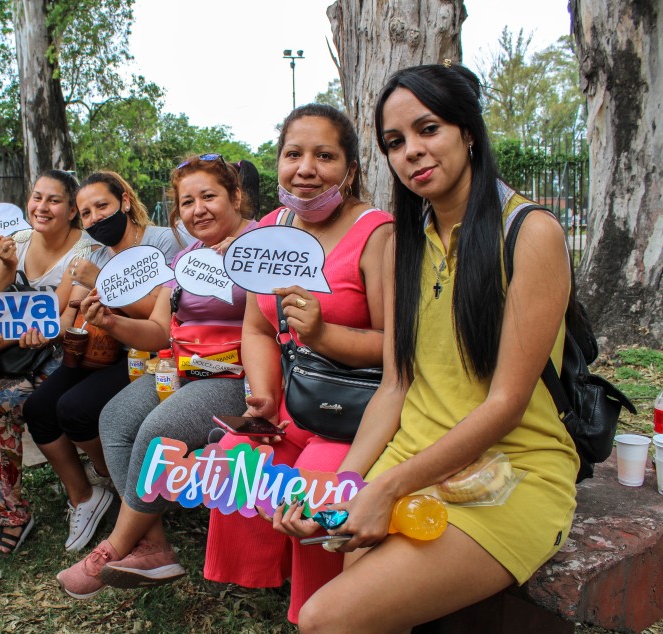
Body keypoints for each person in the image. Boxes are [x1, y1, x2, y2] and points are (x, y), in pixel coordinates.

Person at [291, 65, 578, 633]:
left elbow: (505, 406)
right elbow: (396, 386)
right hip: (409, 458)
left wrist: (387, 488)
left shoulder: (530, 232)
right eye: (395, 143)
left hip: (511, 471)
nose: (412, 153)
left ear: (468, 132)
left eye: (429, 129)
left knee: (325, 619)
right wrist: (345, 483)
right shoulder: (403, 243)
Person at [203, 104, 393, 624]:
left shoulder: (378, 234)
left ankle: (325, 611)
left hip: (357, 414)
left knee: (315, 482)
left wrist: (324, 334)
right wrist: (263, 395)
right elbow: (258, 325)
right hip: (293, 402)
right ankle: (264, 576)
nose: (305, 168)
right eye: (293, 154)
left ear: (350, 170)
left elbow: (399, 350)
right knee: (236, 456)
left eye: (324, 156)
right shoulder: (271, 229)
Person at [56, 154, 257, 599]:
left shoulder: (264, 245)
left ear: (236, 197)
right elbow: (159, 330)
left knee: (156, 431)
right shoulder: (187, 258)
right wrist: (110, 321)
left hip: (237, 380)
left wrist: (243, 260)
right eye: (187, 202)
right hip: (181, 371)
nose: (198, 209)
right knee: (114, 420)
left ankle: (115, 546)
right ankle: (155, 546)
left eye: (209, 197)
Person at [20, 171, 180, 553]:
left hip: (145, 355)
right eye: (85, 213)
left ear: (124, 201)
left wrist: (104, 281)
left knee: (74, 409)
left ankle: (113, 475)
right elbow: (67, 316)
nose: (94, 219)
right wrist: (40, 332)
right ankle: (87, 495)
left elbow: (162, 317)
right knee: (38, 408)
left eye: (101, 207)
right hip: (95, 352)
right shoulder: (91, 254)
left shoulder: (163, 242)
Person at [0, 170, 96, 559]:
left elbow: (54, 320)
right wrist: (3, 266)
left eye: (54, 200)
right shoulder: (18, 241)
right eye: (36, 197)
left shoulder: (85, 251)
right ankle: (7, 511)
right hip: (18, 356)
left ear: (73, 210)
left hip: (66, 356)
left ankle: (85, 489)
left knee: (1, 404)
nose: (42, 207)